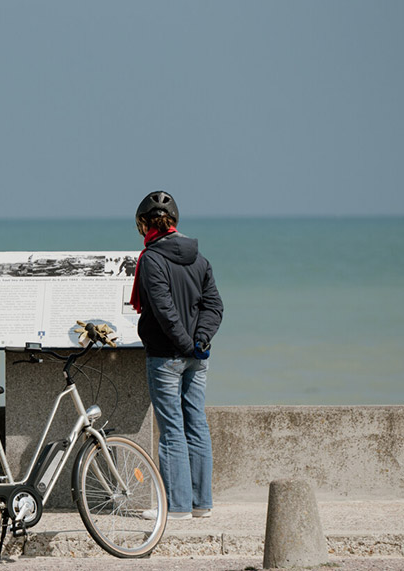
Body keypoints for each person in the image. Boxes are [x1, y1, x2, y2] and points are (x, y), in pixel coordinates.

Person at [129, 190, 223, 520]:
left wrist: (185, 343)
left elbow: (164, 310)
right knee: (196, 424)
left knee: (171, 430)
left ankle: (177, 507)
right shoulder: (200, 259)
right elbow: (214, 307)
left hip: (166, 355)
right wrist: (199, 340)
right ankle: (201, 505)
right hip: (197, 356)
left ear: (144, 225)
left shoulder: (152, 259)